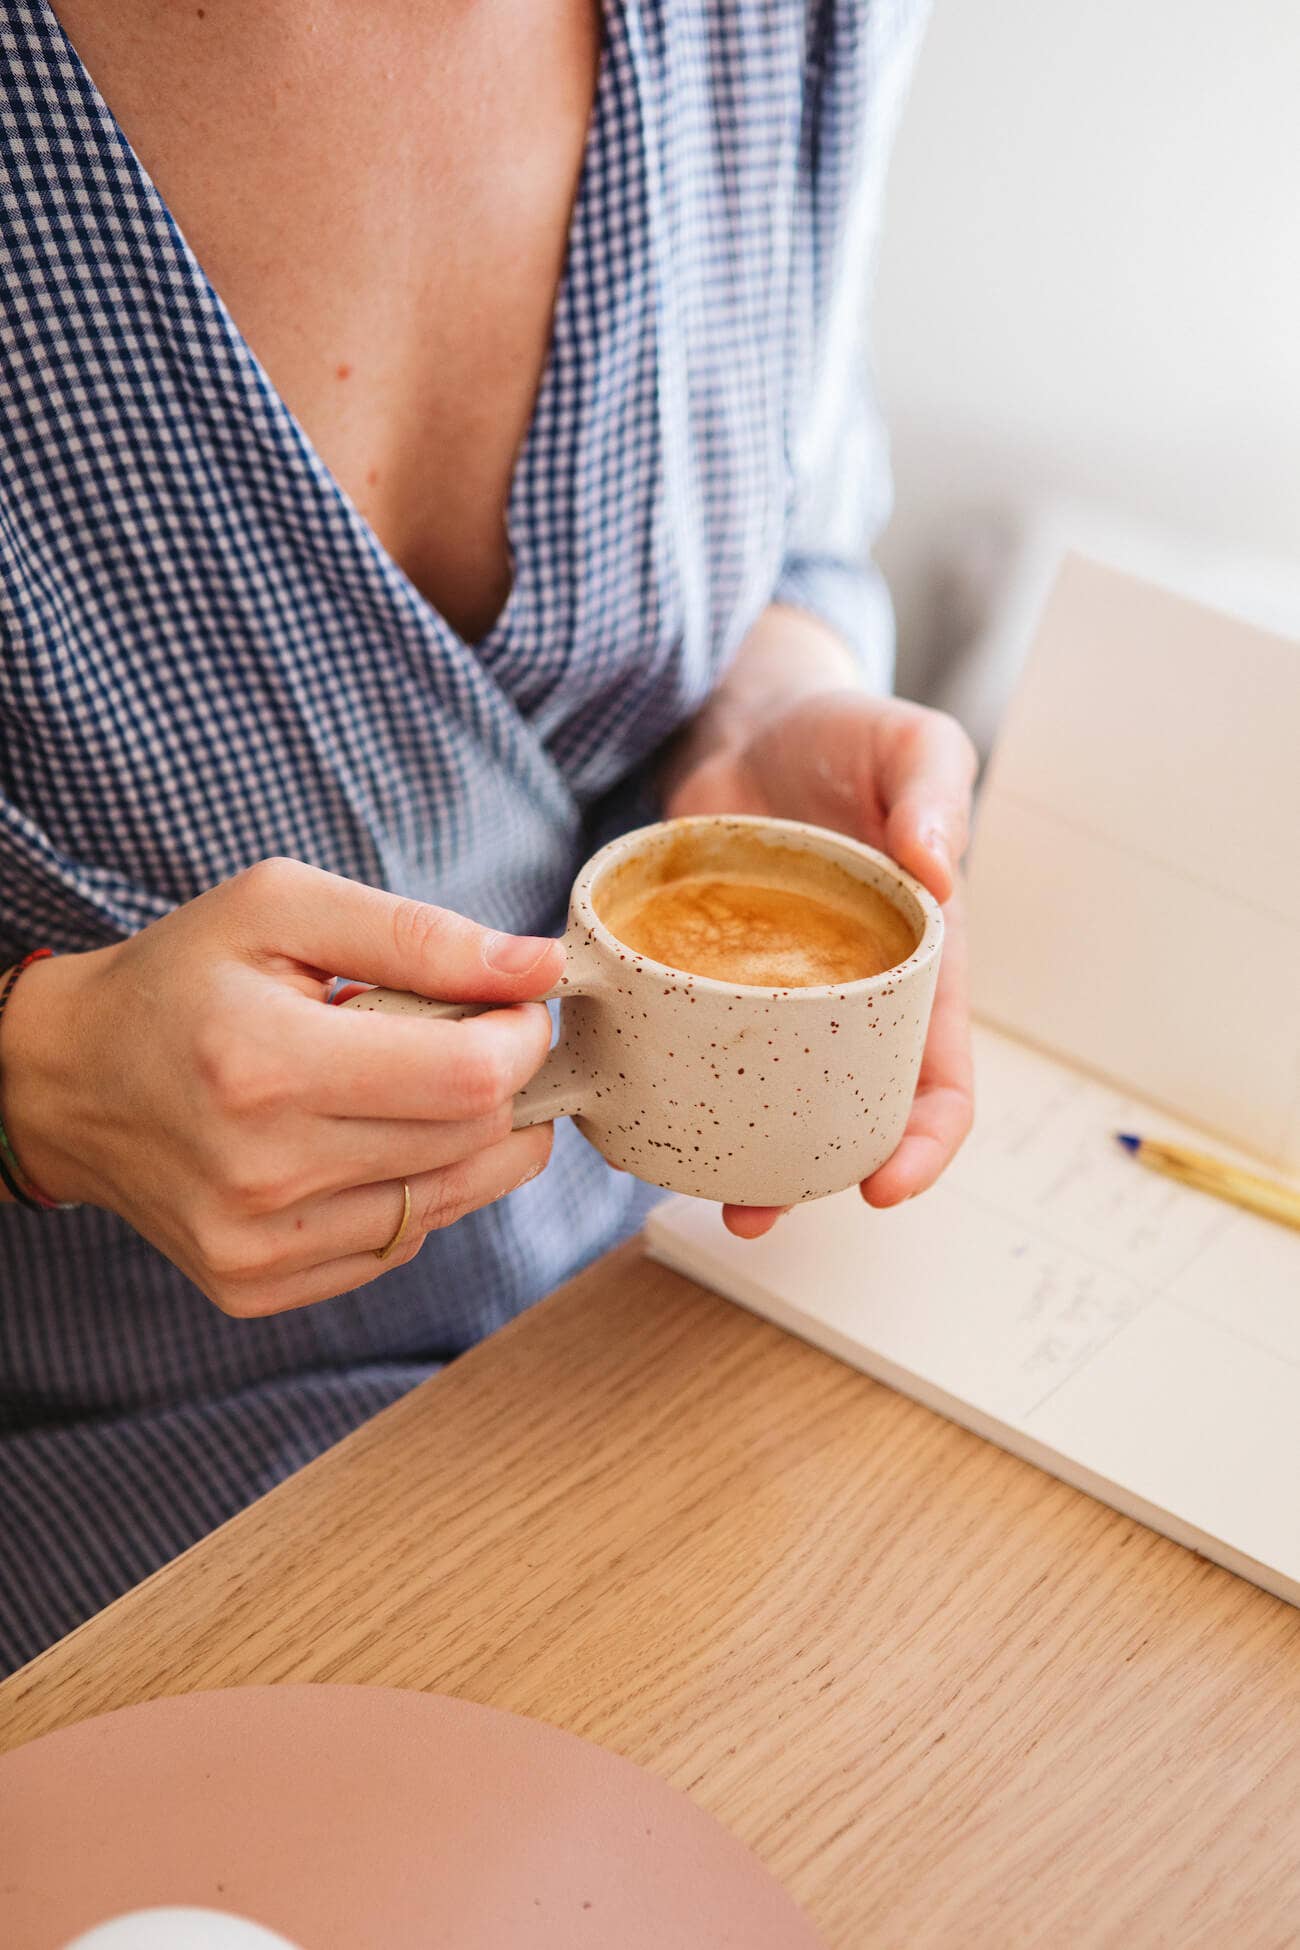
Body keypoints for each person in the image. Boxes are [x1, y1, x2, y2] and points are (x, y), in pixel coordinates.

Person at [0, 0, 974, 1674]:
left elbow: (805, 494)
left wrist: (765, 702)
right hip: (94, 1489)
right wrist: (39, 1083)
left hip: (668, 1327)